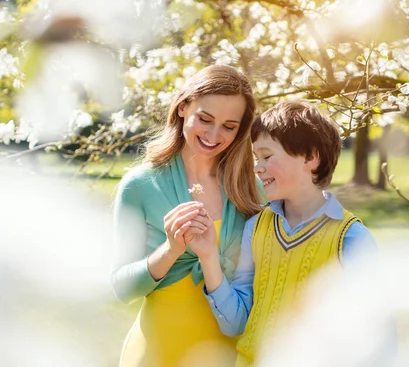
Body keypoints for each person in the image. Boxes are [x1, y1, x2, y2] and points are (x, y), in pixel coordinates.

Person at [189, 101, 379, 366]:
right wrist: (208, 257)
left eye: (267, 156)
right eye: (256, 158)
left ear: (311, 158)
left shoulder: (351, 238)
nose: (257, 167)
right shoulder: (255, 228)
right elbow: (236, 323)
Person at [111, 65, 263, 367]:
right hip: (158, 350)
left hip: (226, 351)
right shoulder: (140, 185)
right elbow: (122, 289)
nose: (213, 134)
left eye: (229, 126)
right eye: (204, 119)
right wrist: (172, 248)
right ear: (182, 107)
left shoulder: (252, 190)